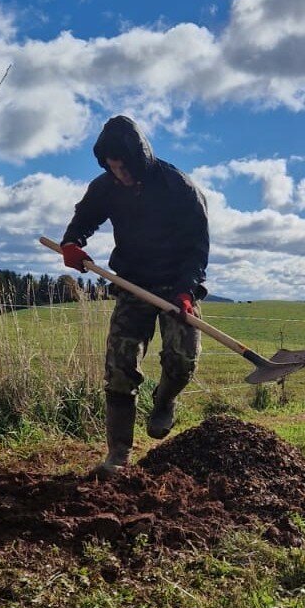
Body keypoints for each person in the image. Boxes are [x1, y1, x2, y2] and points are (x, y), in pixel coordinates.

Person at [58, 116, 209, 478]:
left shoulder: (178, 187)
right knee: (120, 367)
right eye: (112, 167)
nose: (119, 174)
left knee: (183, 358)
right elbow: (84, 218)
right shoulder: (106, 187)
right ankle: (118, 455)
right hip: (132, 283)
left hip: (176, 287)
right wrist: (72, 243)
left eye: (124, 167)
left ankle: (165, 400)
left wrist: (187, 290)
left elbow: (197, 246)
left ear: (138, 159)